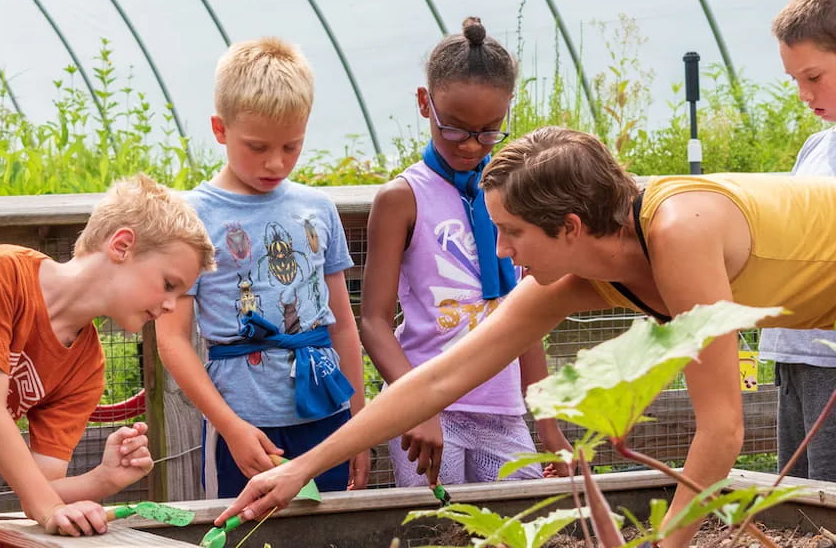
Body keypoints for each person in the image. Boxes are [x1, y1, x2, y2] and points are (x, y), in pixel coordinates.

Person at [217, 125, 836, 548]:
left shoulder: (679, 232)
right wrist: (303, 467)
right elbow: (442, 377)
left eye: (511, 233)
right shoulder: (580, 271)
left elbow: (723, 426)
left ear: (568, 227)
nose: (503, 253)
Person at [0, 174, 215, 546]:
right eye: (169, 284)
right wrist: (48, 508)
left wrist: (104, 479)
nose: (170, 305)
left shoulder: (86, 370)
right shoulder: (0, 273)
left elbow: (40, 487)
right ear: (122, 246)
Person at [155, 37, 370, 500]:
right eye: (257, 147)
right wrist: (229, 428)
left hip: (328, 418)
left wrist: (360, 424)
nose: (275, 163)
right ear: (220, 129)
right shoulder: (191, 216)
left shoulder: (318, 208)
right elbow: (172, 340)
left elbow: (342, 325)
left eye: (292, 146)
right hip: (245, 426)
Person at [361, 17, 570, 487]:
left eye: (489, 131)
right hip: (430, 409)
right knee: (436, 532)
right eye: (454, 130)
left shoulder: (512, 196)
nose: (472, 145)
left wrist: (549, 426)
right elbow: (374, 321)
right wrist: (417, 404)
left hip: (503, 413)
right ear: (424, 103)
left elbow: (526, 315)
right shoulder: (402, 198)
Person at [758, 0, 836, 481]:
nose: (805, 94)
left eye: (814, 77)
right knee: (799, 503)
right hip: (794, 350)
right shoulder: (817, 148)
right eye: (795, 82)